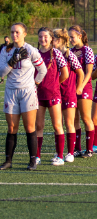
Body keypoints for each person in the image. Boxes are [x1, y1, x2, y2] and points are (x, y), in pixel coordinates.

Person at [0, 23, 47, 170]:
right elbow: (1, 73)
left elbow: (42, 69)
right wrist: (12, 61)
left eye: (18, 32)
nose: (15, 35)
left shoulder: (30, 50)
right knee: (12, 127)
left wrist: (36, 83)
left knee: (29, 126)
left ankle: (33, 160)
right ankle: (8, 161)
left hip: (27, 92)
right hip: (11, 91)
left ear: (24, 34)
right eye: (12, 32)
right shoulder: (6, 50)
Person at [35, 27, 69, 166]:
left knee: (57, 125)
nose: (43, 39)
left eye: (46, 37)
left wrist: (54, 83)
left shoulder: (56, 53)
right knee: (38, 126)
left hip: (53, 94)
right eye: (41, 37)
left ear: (51, 39)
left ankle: (60, 156)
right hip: (37, 94)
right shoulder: (34, 53)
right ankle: (36, 156)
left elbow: (65, 74)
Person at [52, 28, 84, 162]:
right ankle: (59, 152)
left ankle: (70, 153)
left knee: (69, 123)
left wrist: (78, 88)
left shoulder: (69, 55)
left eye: (52, 38)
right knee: (57, 124)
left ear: (58, 40)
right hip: (55, 94)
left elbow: (81, 73)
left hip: (68, 93)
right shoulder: (51, 54)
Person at [68, 25, 95, 158]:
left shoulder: (87, 50)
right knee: (75, 119)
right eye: (69, 37)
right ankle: (77, 148)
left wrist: (80, 86)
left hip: (84, 88)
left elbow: (89, 72)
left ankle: (89, 149)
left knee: (86, 118)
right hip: (72, 88)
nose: (70, 40)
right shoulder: (70, 51)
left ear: (79, 36)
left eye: (72, 37)